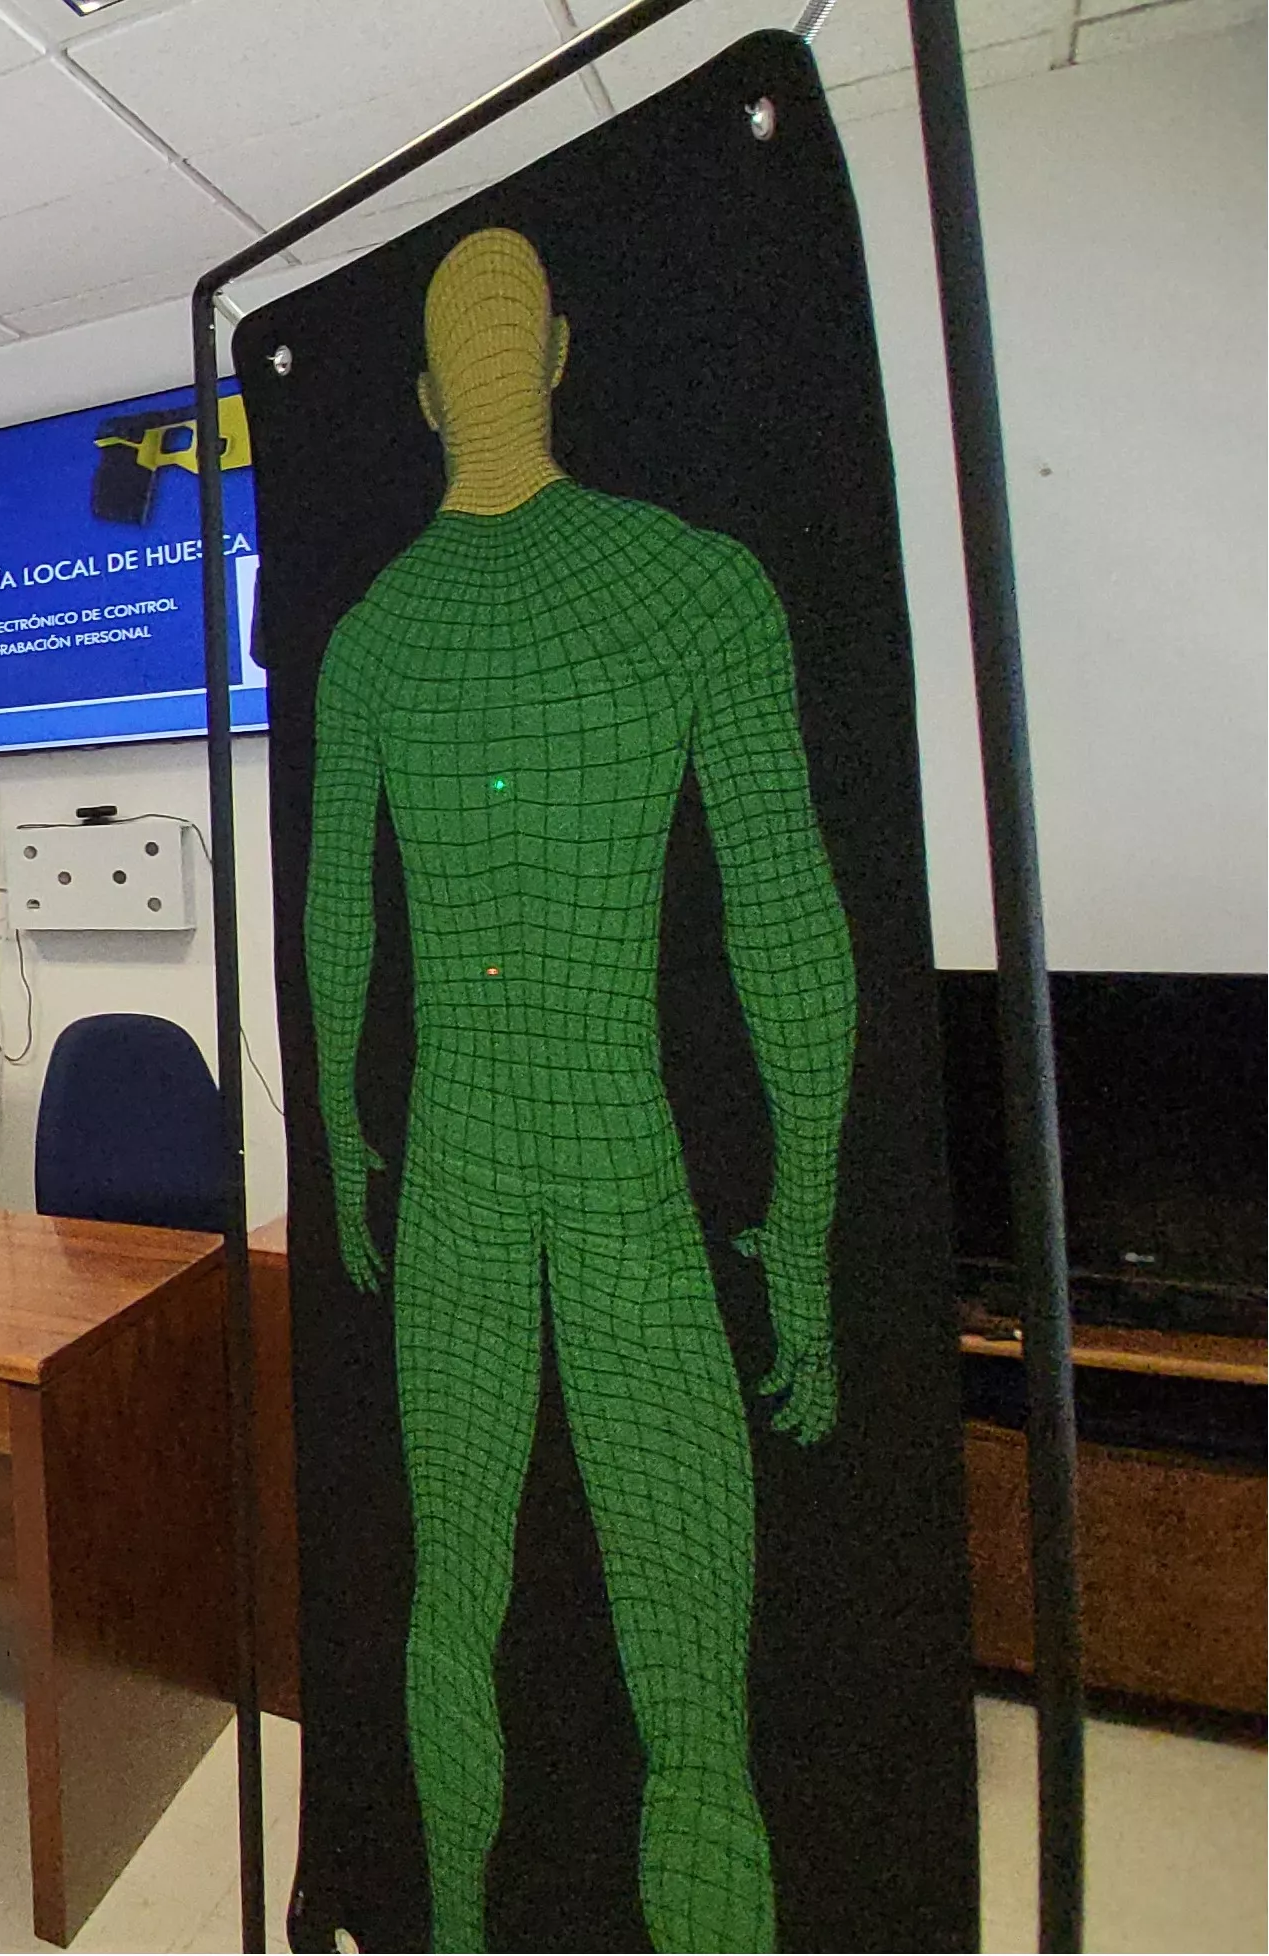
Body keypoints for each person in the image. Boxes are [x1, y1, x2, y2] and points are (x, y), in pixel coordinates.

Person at [305, 228, 855, 1952]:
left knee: (449, 1612)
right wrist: (807, 1214)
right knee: (688, 1695)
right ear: (551, 353)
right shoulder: (687, 584)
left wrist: (338, 1137)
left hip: (461, 1161)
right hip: (610, 1159)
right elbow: (786, 922)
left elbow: (339, 942)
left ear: (415, 398)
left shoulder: (371, 639)